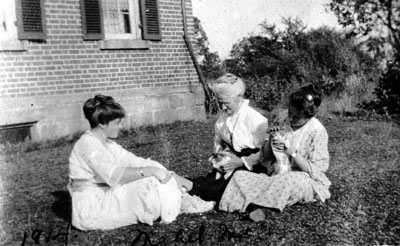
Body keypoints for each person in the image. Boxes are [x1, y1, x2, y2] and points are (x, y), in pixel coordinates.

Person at [68, 94, 214, 231]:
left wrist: (167, 173)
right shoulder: (88, 145)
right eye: (117, 122)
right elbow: (115, 175)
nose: (121, 126)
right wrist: (151, 171)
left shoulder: (108, 144)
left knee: (155, 177)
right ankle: (180, 203)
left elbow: (134, 161)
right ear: (102, 123)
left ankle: (181, 201)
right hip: (94, 208)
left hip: (109, 194)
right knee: (151, 183)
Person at [218, 85, 331, 221]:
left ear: (308, 116)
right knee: (240, 176)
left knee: (288, 181)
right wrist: (271, 140)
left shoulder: (317, 131)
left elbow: (316, 170)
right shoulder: (283, 121)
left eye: (296, 117)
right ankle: (254, 206)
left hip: (303, 179)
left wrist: (292, 153)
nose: (291, 118)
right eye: (290, 112)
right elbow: (265, 157)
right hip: (276, 175)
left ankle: (261, 208)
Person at [189, 73, 269, 204]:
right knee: (209, 182)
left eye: (226, 103)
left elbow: (265, 153)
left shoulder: (255, 119)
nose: (223, 108)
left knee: (222, 188)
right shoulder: (221, 121)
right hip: (228, 164)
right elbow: (217, 146)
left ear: (239, 98)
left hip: (251, 166)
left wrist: (242, 161)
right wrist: (218, 160)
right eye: (220, 103)